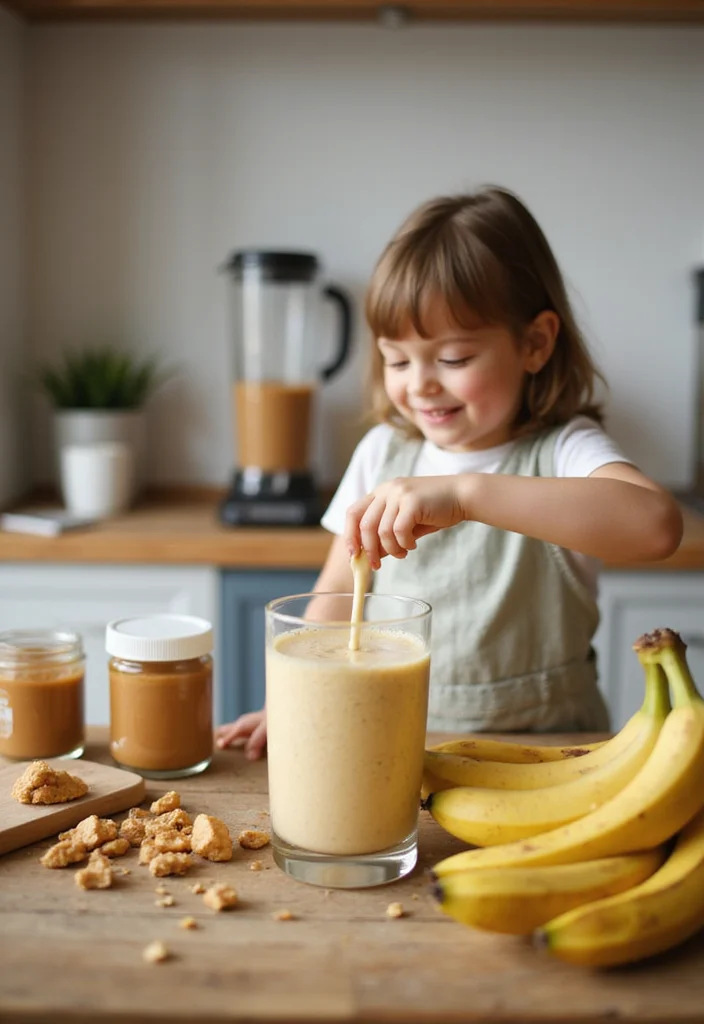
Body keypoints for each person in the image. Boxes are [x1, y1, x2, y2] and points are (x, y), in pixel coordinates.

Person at [215, 186, 683, 760]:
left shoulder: (566, 452)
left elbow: (658, 527)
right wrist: (290, 698)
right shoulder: (382, 453)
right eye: (397, 359)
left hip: (554, 757)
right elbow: (336, 595)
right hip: (397, 744)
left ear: (535, 343)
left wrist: (466, 494)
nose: (419, 384)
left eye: (454, 359)